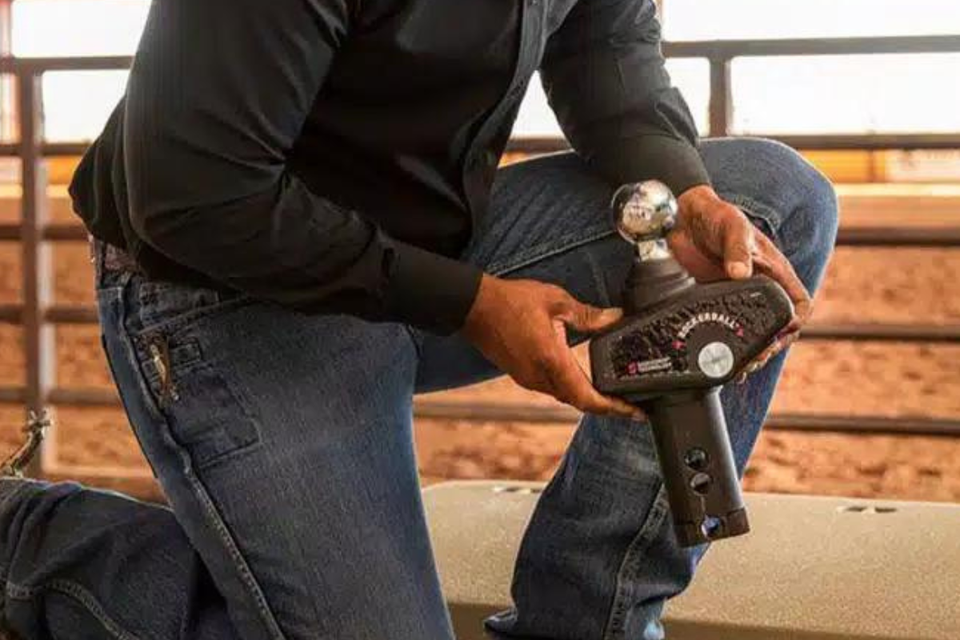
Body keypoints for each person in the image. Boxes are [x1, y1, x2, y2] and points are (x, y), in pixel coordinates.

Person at [0, 0, 838, 637]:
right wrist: (470, 304)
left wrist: (683, 193)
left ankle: (589, 615)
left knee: (776, 206)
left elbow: (605, 41)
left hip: (427, 251)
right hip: (224, 288)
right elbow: (193, 196)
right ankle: (24, 534)